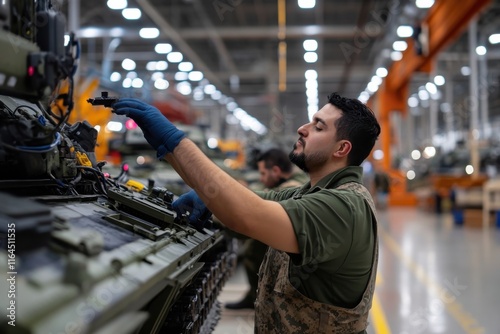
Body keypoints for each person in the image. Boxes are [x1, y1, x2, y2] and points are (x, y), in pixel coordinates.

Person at [112, 92, 381, 333]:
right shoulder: (308, 194)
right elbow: (247, 201)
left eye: (318, 126)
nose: (303, 128)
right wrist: (180, 164)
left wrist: (174, 141)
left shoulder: (344, 207)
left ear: (341, 148)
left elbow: (246, 214)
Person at [225, 147, 307, 310]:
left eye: (263, 173)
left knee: (253, 251)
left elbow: (257, 215)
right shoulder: (297, 179)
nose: (261, 179)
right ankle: (254, 296)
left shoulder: (291, 187)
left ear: (276, 171)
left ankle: (260, 299)